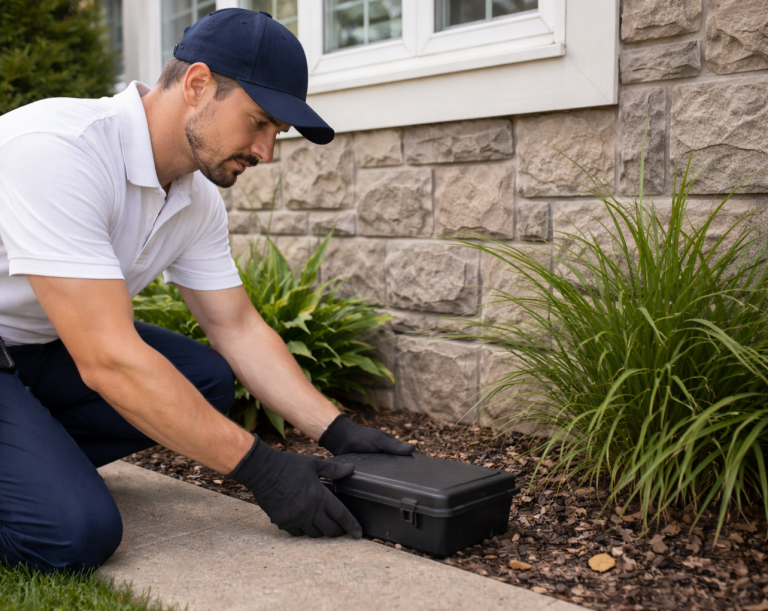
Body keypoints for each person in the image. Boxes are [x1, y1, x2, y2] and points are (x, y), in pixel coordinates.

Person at [0, 8, 414, 572]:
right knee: (73, 534)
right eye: (260, 122)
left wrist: (337, 431)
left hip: (35, 345)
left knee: (207, 380)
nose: (266, 151)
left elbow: (236, 328)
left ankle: (32, 459)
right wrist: (260, 469)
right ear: (197, 85)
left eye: (276, 134)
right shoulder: (58, 149)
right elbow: (107, 360)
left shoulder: (194, 199)